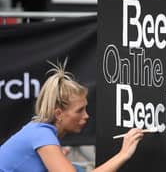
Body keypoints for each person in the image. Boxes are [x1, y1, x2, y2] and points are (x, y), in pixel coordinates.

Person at [0, 60, 144, 172]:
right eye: (79, 110)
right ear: (58, 114)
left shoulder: (39, 131)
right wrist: (123, 154)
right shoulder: (42, 135)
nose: (86, 116)